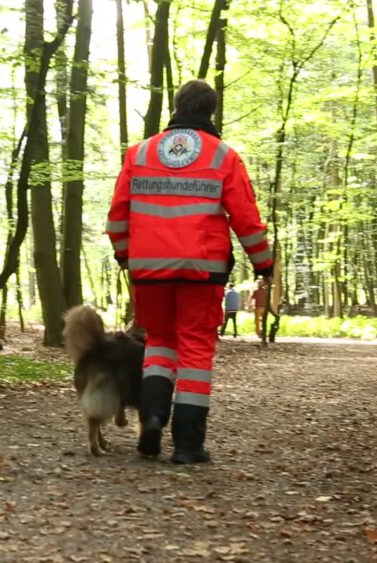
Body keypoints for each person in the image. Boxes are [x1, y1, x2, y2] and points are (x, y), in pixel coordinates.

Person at [106, 80, 274, 464]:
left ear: (177, 107)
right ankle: (188, 445)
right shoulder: (223, 157)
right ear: (210, 111)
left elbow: (117, 217)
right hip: (202, 270)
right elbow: (247, 220)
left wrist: (124, 257)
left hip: (148, 270)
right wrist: (264, 265)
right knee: (195, 350)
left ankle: (151, 418)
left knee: (160, 342)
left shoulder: (140, 153)